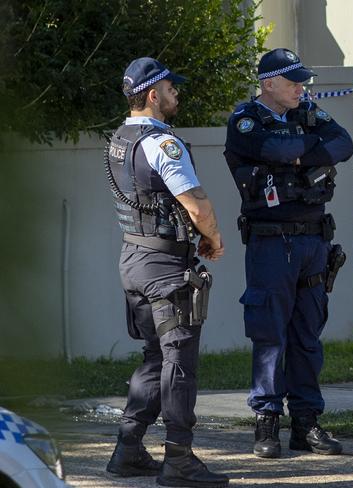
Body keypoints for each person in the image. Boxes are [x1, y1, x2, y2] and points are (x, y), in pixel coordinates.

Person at [104, 57, 229, 487]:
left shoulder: (120, 139)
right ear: (153, 95)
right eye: (172, 89)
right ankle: (179, 459)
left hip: (134, 261)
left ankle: (128, 449)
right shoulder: (161, 144)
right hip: (164, 268)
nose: (178, 94)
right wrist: (213, 238)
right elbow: (197, 204)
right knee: (179, 362)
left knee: (156, 357)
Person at [224, 48, 353, 459]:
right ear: (268, 84)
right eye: (294, 81)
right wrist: (305, 150)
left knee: (307, 337)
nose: (302, 88)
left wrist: (298, 150)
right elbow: (271, 151)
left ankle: (306, 423)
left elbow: (344, 144)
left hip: (314, 241)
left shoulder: (309, 113)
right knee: (269, 337)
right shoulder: (246, 120)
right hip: (270, 241)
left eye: (302, 81)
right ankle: (266, 423)